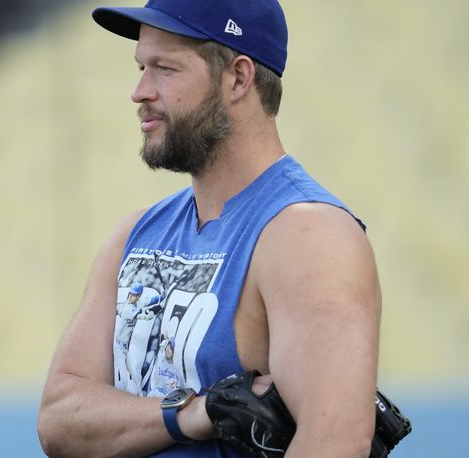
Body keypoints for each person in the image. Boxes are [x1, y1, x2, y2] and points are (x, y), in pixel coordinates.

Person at [38, 1, 381, 456]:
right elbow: (59, 418)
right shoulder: (136, 233)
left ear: (238, 78)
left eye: (165, 68)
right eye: (141, 66)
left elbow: (335, 442)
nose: (139, 91)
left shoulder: (308, 237)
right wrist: (191, 414)